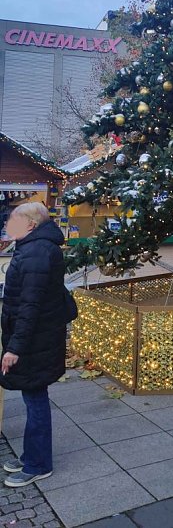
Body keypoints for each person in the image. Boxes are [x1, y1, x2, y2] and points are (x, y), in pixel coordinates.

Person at [0, 203, 67, 488]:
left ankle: (38, 464)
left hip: (35, 340)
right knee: (33, 397)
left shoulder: (37, 251)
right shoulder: (32, 246)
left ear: (30, 224)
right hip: (37, 337)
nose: (7, 226)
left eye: (13, 221)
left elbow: (30, 305)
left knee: (35, 399)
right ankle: (31, 456)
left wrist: (14, 349)